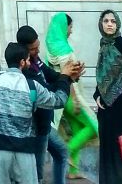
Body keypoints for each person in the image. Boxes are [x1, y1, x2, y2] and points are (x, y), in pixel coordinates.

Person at [0, 41, 71, 184]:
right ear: (22, 62)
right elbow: (58, 101)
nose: (29, 62)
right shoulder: (32, 86)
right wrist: (65, 78)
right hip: (24, 149)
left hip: (0, 148)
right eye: (27, 60)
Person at [15, 25, 82, 184]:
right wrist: (65, 78)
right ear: (24, 50)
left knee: (61, 153)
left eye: (38, 47)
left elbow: (52, 76)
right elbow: (47, 92)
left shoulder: (36, 61)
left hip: (46, 123)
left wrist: (70, 76)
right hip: (37, 127)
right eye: (33, 49)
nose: (38, 52)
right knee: (37, 176)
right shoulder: (26, 70)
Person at [45, 13, 97, 179]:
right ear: (63, 27)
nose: (71, 31)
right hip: (70, 96)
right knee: (93, 127)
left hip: (60, 96)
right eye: (70, 27)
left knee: (76, 129)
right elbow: (68, 76)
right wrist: (74, 98)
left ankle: (73, 171)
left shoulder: (51, 48)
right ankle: (67, 151)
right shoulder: (65, 51)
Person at [93, 9, 122, 184]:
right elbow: (102, 75)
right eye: (106, 21)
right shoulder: (103, 45)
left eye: (113, 21)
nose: (110, 24)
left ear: (118, 23)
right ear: (101, 24)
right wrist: (97, 94)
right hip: (106, 107)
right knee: (108, 147)